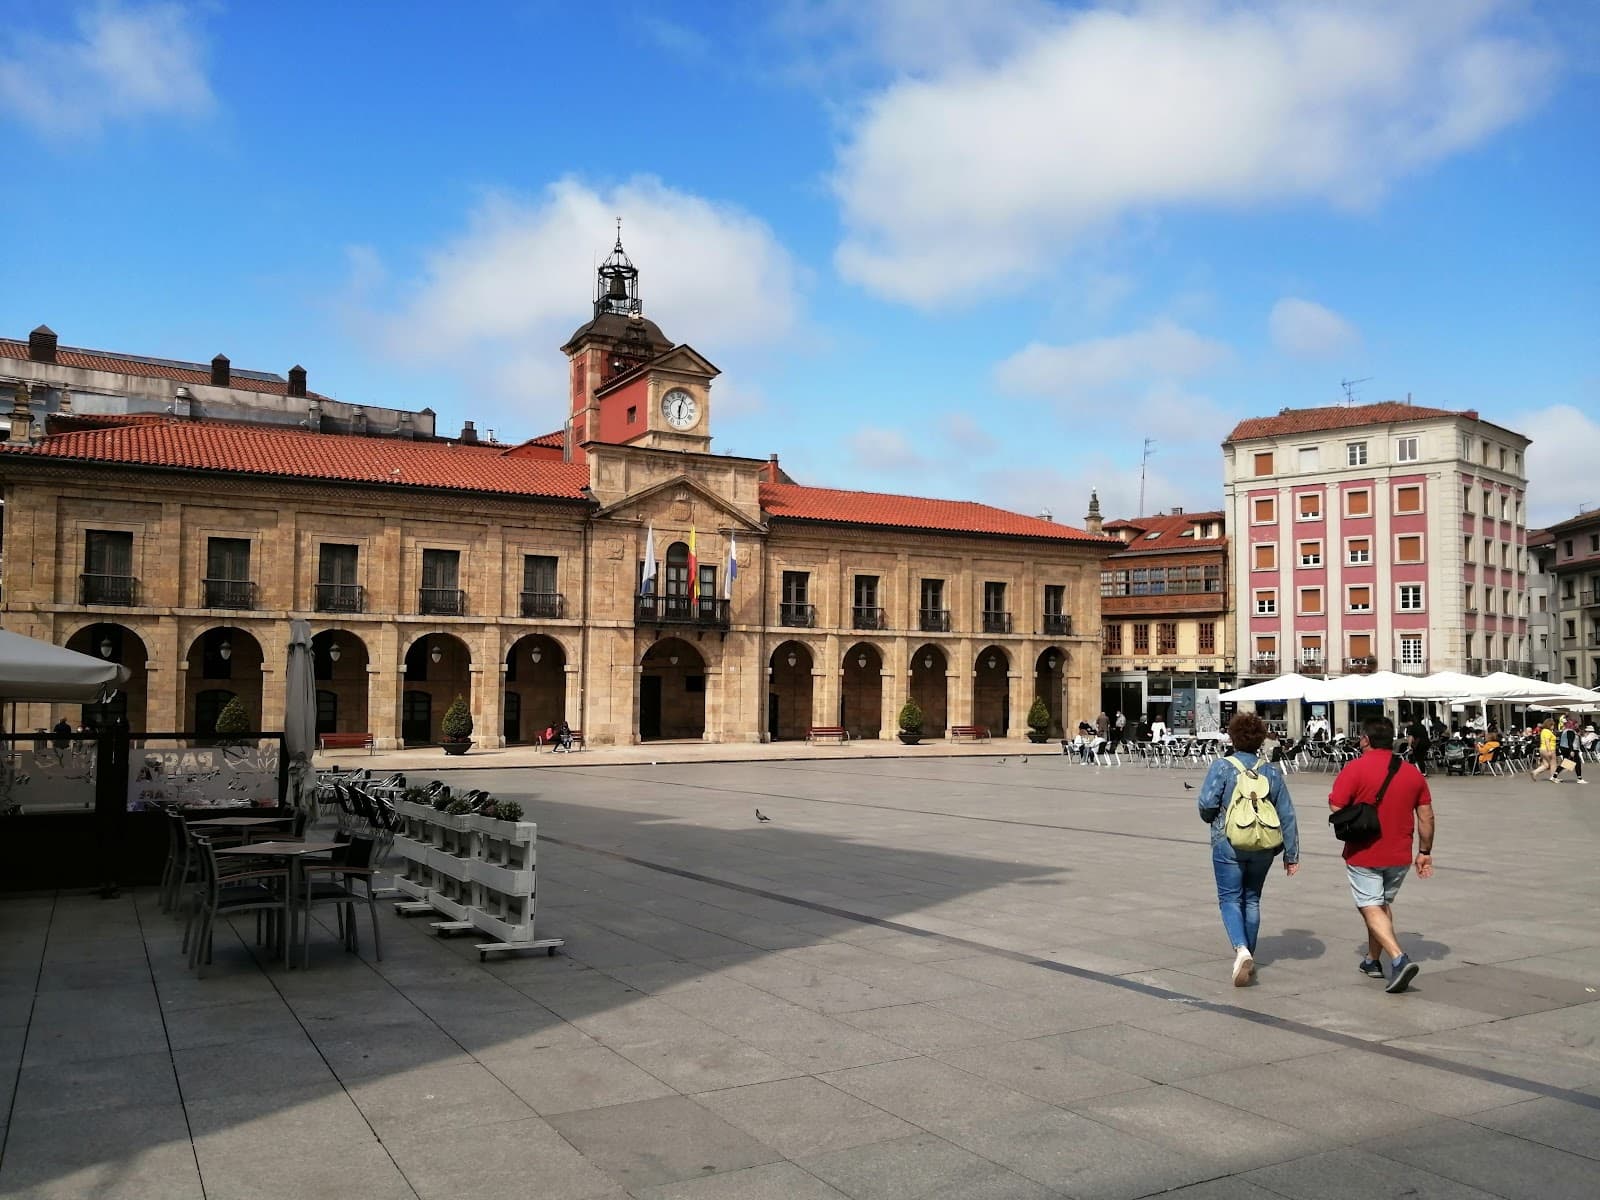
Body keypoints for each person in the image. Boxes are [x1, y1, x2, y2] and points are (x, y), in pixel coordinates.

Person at [1329, 717, 1434, 993]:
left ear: (1365, 739)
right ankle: (1372, 960)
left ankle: (1399, 959)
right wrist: (1425, 852)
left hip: (1364, 851)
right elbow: (1426, 815)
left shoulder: (1355, 768)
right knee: (1381, 905)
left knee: (1370, 905)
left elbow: (1336, 804)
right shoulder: (1412, 773)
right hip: (1399, 854)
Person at [1197, 712, 1300, 986]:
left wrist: (1214, 818)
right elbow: (1287, 814)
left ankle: (1241, 949)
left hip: (1228, 842)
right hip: (1264, 845)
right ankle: (1248, 955)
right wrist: (1292, 855)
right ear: (1260, 739)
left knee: (1230, 899)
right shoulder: (1271, 771)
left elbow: (1206, 805)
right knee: (1252, 898)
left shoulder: (1222, 766)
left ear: (1232, 737)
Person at [1555, 716, 1586, 785]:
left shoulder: (1565, 731)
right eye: (1576, 723)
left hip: (1565, 748)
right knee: (1577, 763)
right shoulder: (1570, 731)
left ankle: (1554, 776)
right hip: (1572, 749)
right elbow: (1570, 741)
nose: (1577, 725)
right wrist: (1571, 750)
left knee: (1567, 763)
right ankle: (1579, 778)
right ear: (1572, 724)